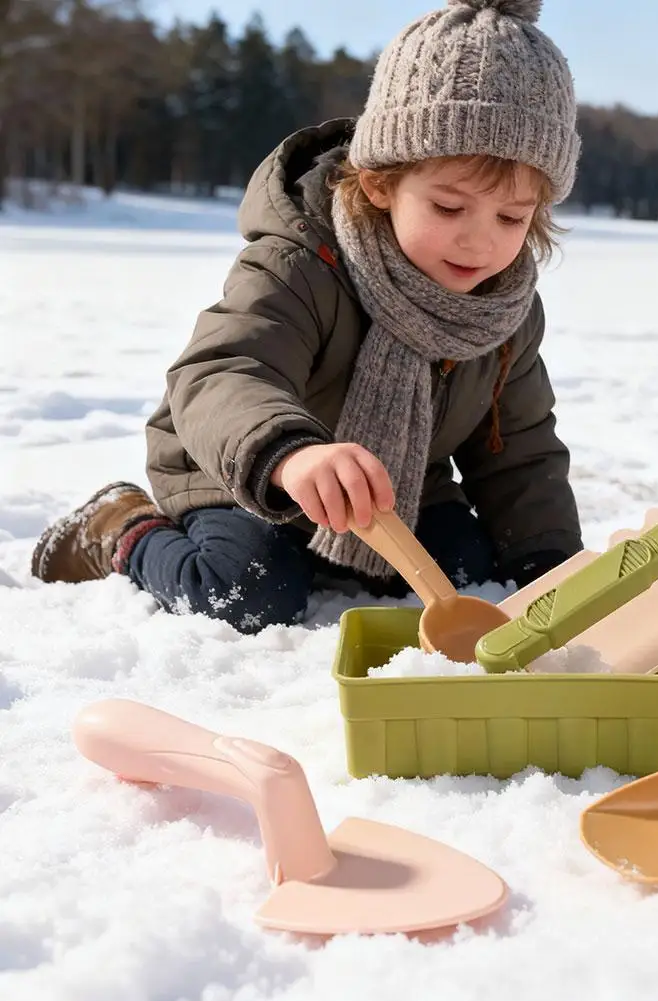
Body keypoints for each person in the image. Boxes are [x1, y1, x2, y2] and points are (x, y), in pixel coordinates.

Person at [31, 0, 583, 634]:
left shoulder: (503, 310)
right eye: (449, 207)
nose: (478, 243)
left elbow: (518, 450)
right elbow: (224, 372)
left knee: (471, 574)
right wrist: (292, 457)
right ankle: (119, 527)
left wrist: (549, 571)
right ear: (381, 184)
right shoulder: (301, 263)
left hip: (391, 489)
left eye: (510, 218)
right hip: (246, 468)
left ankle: (343, 556)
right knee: (248, 592)